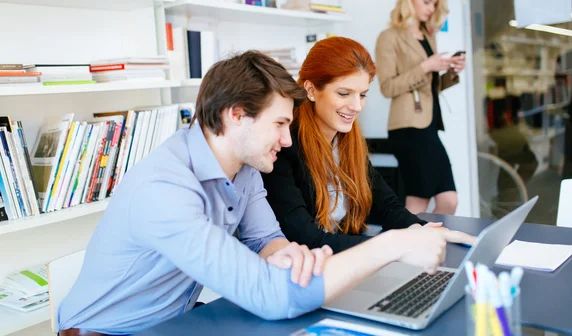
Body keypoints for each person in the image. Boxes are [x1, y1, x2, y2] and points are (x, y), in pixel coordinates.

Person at [57, 51, 468, 336]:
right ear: (236, 115)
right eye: (279, 125)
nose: (288, 141)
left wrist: (285, 253)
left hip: (174, 321)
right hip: (110, 331)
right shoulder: (165, 188)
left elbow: (264, 240)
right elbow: (271, 298)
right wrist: (393, 246)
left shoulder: (245, 170)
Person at [262, 37, 464, 253]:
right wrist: (394, 246)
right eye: (344, 93)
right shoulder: (284, 147)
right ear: (311, 90)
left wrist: (421, 230)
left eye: (363, 95)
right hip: (310, 270)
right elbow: (307, 239)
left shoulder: (345, 141)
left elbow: (387, 205)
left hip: (346, 262)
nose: (357, 106)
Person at [375, 0, 466, 215]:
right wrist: (426, 66)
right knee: (418, 202)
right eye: (427, 1)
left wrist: (452, 71)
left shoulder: (428, 35)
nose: (431, 8)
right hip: (407, 129)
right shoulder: (389, 37)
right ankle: (415, 248)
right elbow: (387, 87)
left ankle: (430, 244)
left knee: (449, 200)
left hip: (429, 125)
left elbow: (429, 87)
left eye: (434, 3)